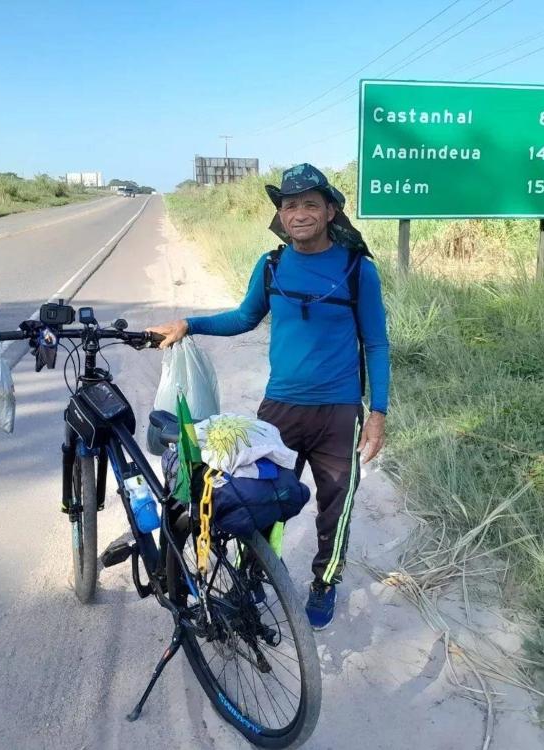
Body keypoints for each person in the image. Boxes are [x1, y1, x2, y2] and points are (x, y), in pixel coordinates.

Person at [148, 163, 390, 630]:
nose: (299, 213)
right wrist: (188, 324)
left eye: (309, 204)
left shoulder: (358, 271)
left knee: (336, 502)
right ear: (281, 214)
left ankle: (325, 580)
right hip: (279, 408)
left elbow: (376, 344)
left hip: (340, 412)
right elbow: (243, 318)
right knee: (259, 497)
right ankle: (253, 573)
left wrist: (377, 413)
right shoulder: (272, 265)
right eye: (290, 204)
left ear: (331, 211)